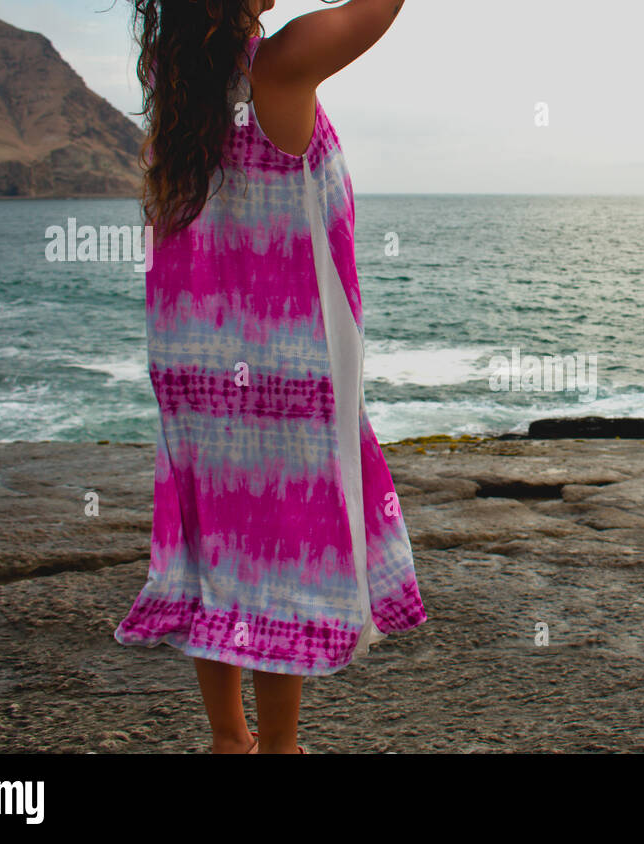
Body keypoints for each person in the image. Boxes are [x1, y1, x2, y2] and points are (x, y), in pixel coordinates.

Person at [114, 0, 427, 755]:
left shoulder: (174, 80)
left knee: (213, 543)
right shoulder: (278, 67)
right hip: (280, 366)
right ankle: (279, 748)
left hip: (192, 358)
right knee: (273, 550)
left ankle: (230, 740)